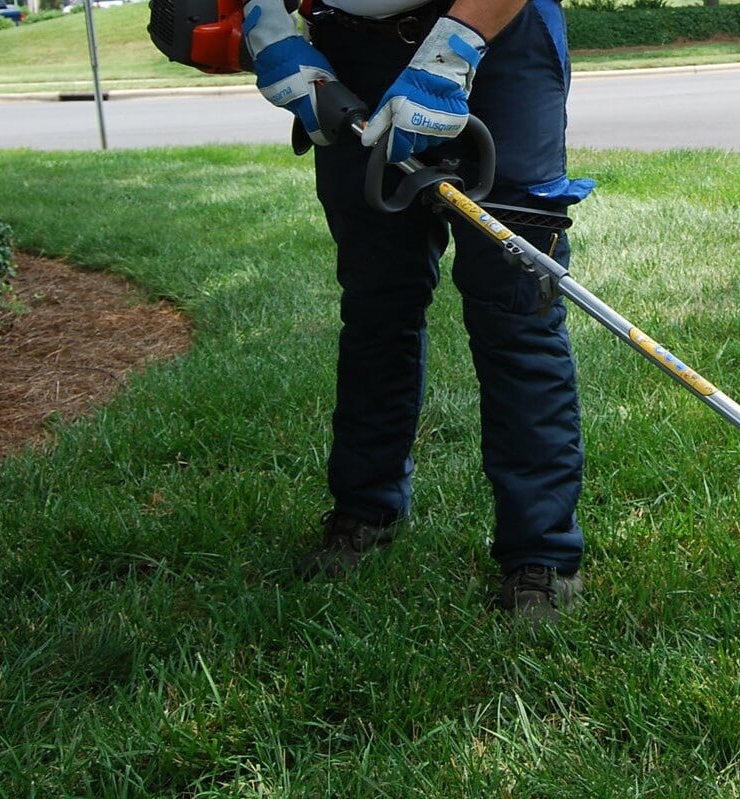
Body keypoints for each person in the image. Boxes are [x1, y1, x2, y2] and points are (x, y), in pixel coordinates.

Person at [240, 0, 593, 621]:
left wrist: (448, 55)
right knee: (377, 297)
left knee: (514, 307)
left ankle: (541, 554)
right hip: (348, 51)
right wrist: (269, 30)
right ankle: (365, 509)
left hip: (499, 38)